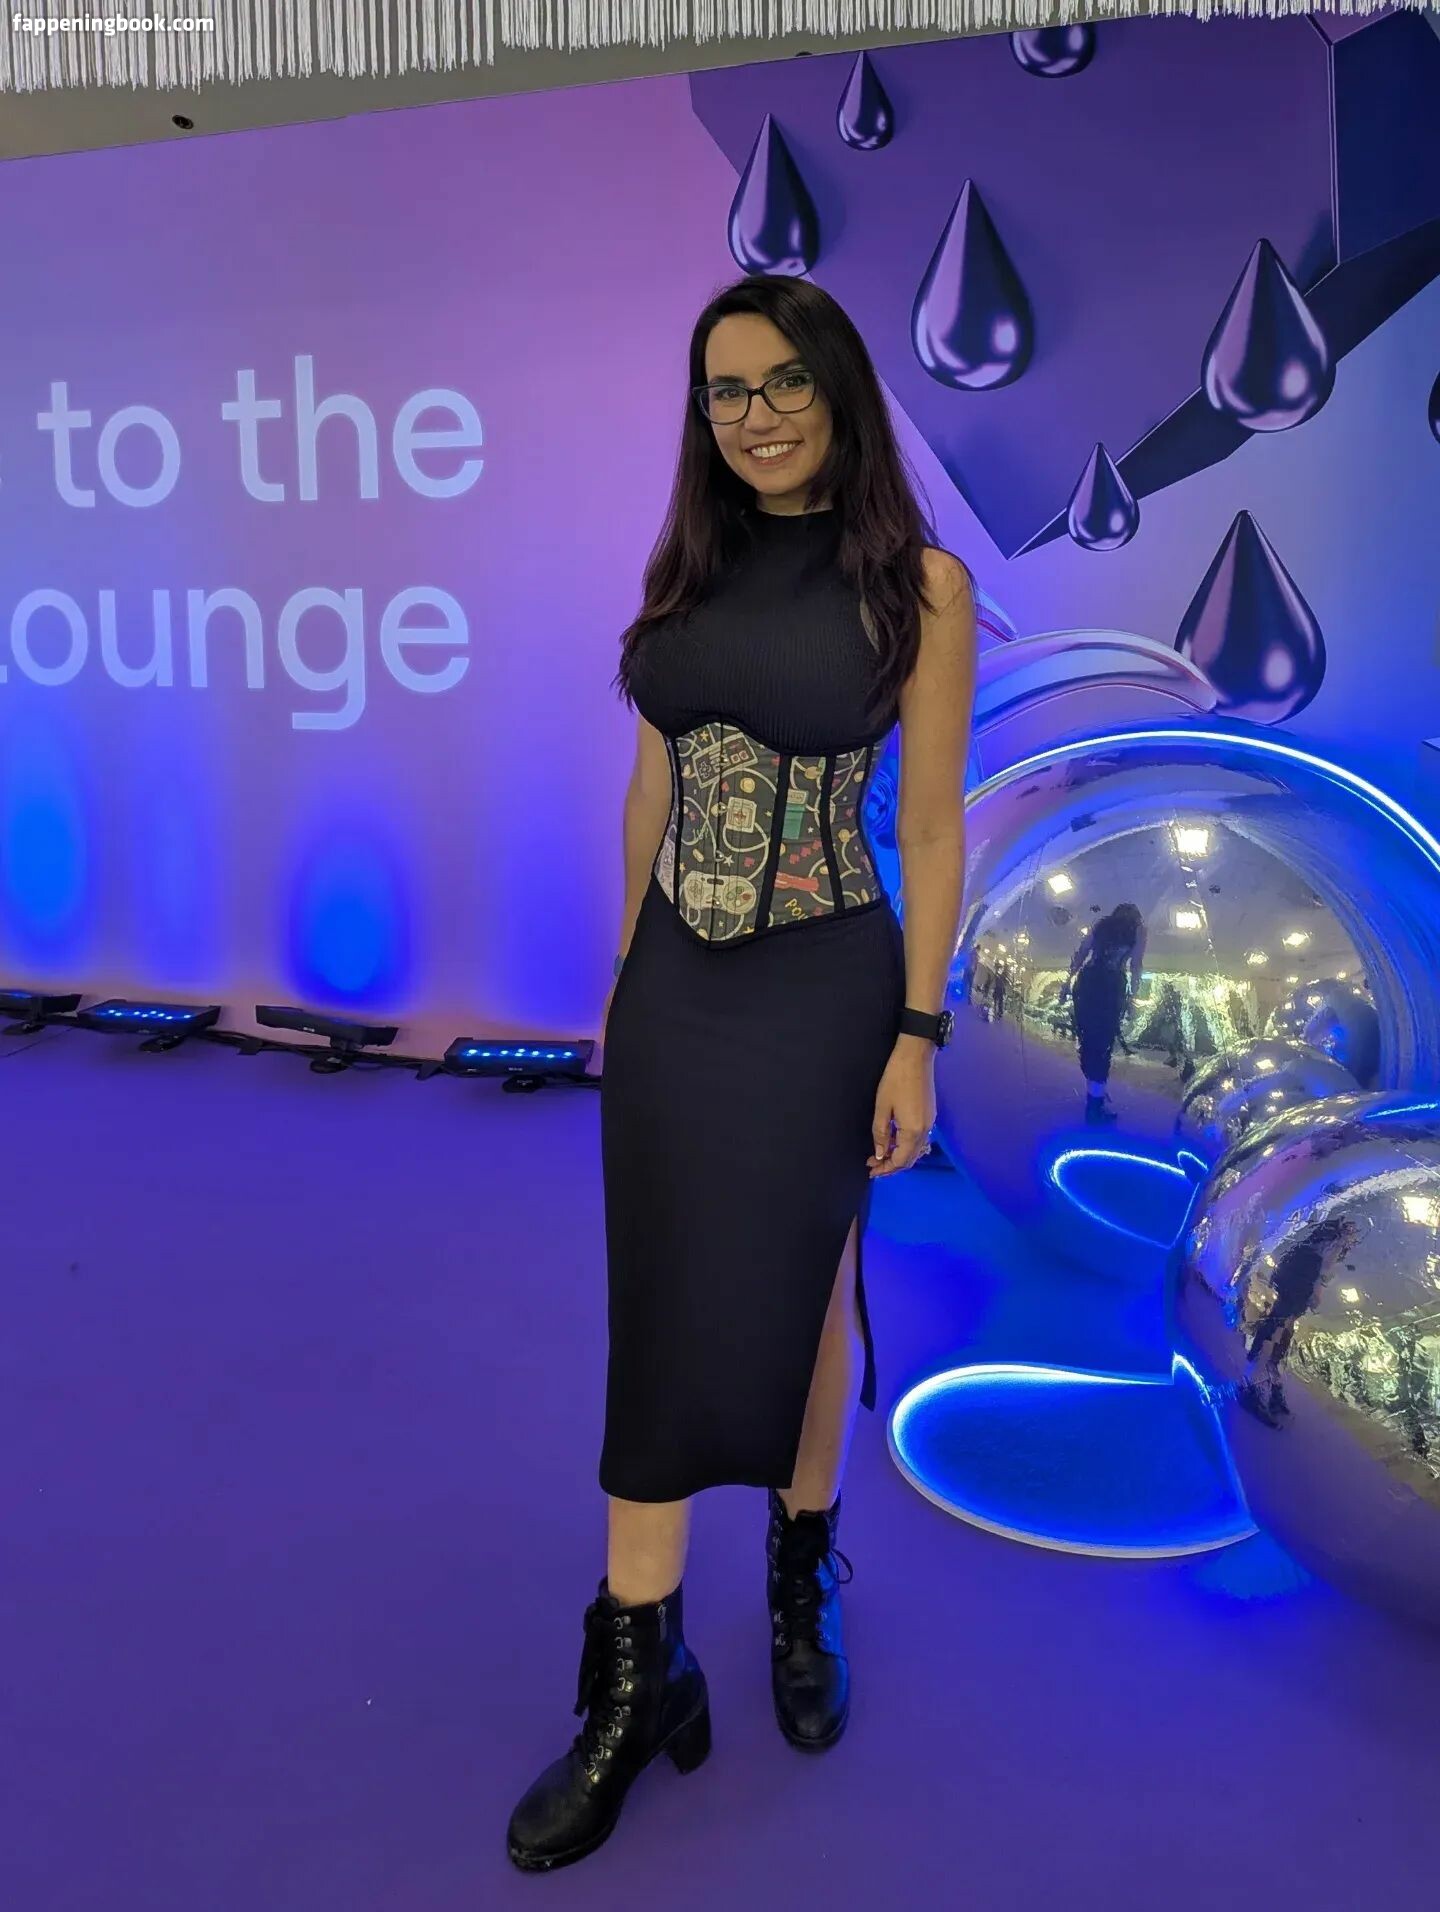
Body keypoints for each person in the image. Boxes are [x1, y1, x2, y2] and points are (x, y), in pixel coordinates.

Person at [505, 274, 977, 1872]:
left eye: (784, 382)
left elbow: (929, 829)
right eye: (724, 389)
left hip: (825, 983)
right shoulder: (689, 566)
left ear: (838, 389)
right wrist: (624, 980)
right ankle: (639, 1671)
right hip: (678, 994)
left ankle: (800, 1572)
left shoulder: (919, 586)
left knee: (802, 1286)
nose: (754, 414)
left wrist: (918, 1035)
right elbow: (652, 788)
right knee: (657, 1301)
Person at [1239, 1213, 1361, 1426]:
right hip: (1288, 1303)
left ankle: (1270, 1388)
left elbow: (1299, 1283)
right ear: (1330, 1241)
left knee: (1280, 1340)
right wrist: (1312, 1291)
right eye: (1342, 1245)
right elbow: (1295, 1284)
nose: (1343, 1252)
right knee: (1273, 1336)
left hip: (1290, 1305)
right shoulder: (1309, 1258)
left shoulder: (1312, 1258)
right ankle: (1253, 1388)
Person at [1057, 903, 1146, 1124]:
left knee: (1088, 1039)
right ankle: (1095, 1104)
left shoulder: (1101, 925)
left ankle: (1095, 1092)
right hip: (1110, 986)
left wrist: (1067, 982)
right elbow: (1136, 965)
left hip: (1087, 982)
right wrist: (1133, 998)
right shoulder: (1138, 930)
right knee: (1103, 1045)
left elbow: (1082, 952)